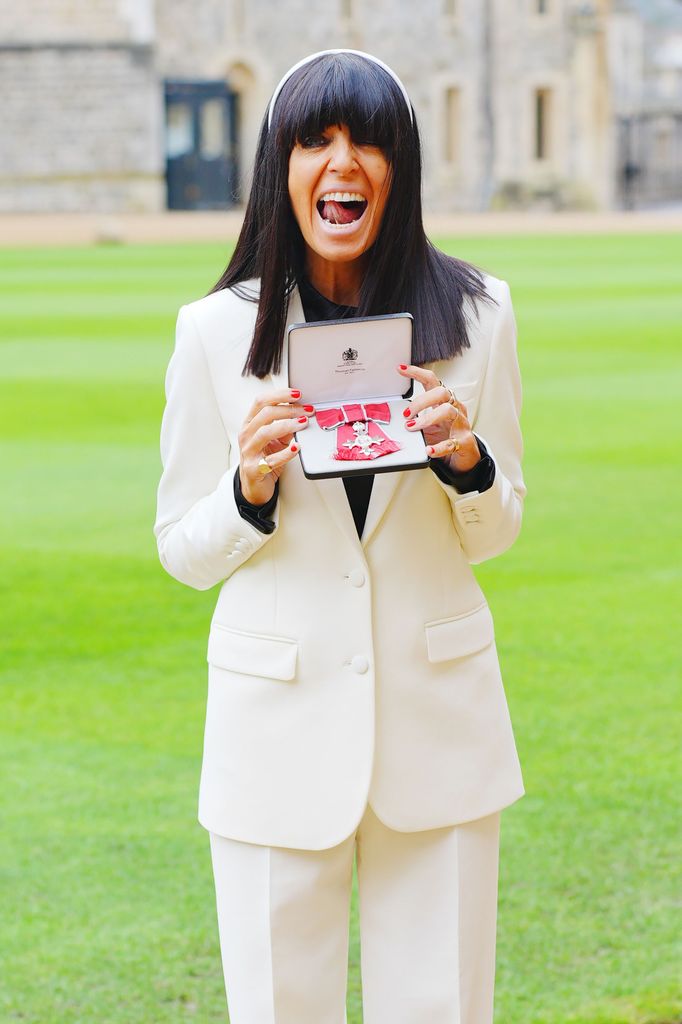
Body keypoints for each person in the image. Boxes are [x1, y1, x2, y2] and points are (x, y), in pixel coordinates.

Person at [154, 48, 526, 1024]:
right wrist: (246, 490)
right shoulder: (210, 334)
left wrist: (465, 463)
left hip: (439, 734)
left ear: (400, 166)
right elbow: (179, 548)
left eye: (367, 140)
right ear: (280, 165)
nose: (342, 163)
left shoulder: (480, 318)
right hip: (272, 737)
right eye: (315, 140)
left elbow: (498, 524)